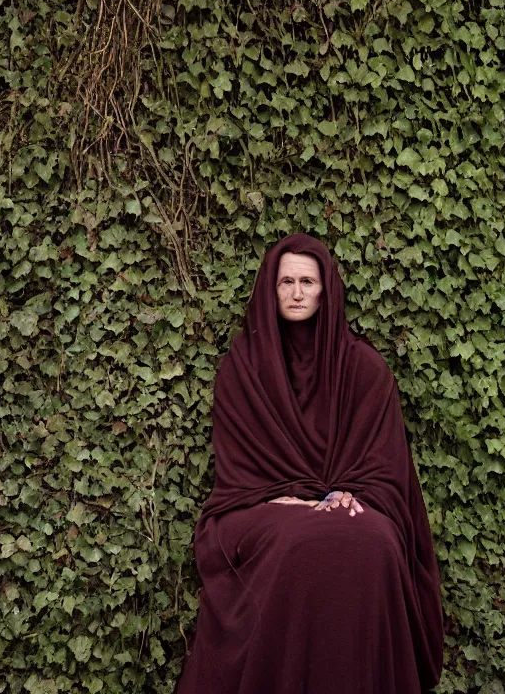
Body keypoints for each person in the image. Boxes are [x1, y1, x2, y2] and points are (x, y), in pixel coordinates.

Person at [176, 233, 443, 694]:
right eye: (285, 282)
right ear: (269, 289)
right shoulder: (243, 368)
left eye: (307, 281)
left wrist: (349, 493)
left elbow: (387, 469)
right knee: (295, 540)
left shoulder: (364, 369)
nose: (296, 293)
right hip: (259, 508)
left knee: (375, 542)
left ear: (327, 289)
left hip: (351, 504)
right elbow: (239, 471)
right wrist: (273, 498)